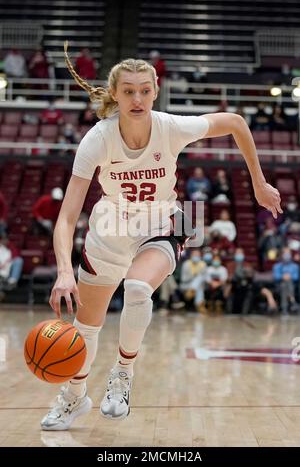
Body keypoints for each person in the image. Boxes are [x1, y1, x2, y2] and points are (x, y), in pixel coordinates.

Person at [40, 40, 282, 431]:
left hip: (163, 223)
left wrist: (258, 182)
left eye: (146, 90)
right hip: (110, 232)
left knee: (137, 287)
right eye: (129, 91)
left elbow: (236, 122)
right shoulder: (97, 139)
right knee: (86, 328)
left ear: (156, 90)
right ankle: (73, 397)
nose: (138, 98)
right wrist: (64, 271)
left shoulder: (170, 127)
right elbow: (67, 217)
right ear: (115, 95)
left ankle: (123, 374)